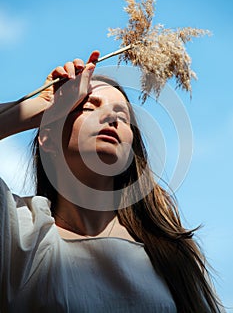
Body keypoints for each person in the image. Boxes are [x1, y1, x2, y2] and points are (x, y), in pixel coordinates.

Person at [0, 51, 225, 313]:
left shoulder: (169, 253)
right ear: (48, 138)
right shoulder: (19, 233)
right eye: (87, 107)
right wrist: (41, 106)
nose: (110, 118)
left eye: (122, 115)